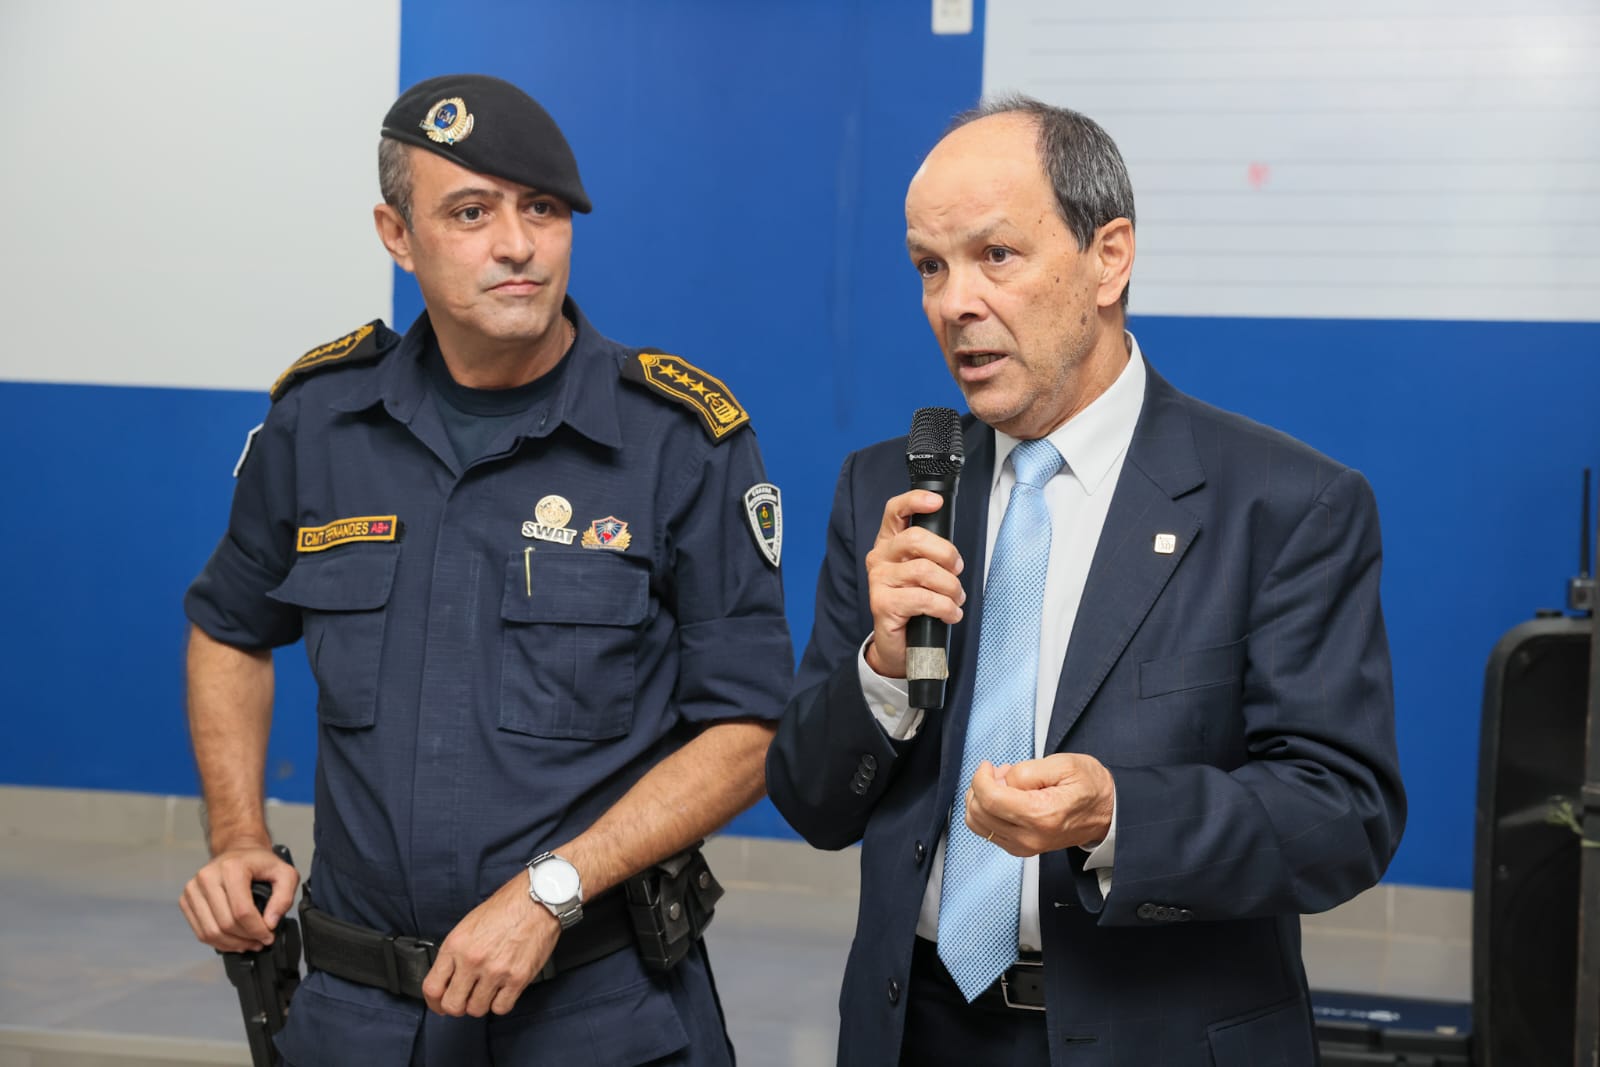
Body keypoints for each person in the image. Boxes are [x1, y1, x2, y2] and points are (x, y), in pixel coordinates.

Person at [765, 95, 1406, 1067]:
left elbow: (1340, 814)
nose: (954, 302)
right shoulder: (890, 489)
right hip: (913, 1027)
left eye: (996, 256)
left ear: (1108, 256)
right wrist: (882, 670)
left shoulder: (1282, 503)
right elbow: (813, 800)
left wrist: (1118, 812)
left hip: (1161, 1035)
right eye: (929, 268)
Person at [178, 74, 792, 1065]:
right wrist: (239, 832)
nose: (517, 244)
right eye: (471, 212)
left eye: (542, 209)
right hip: (354, 1014)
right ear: (396, 233)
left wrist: (558, 885)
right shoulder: (321, 422)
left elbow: (750, 726)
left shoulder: (678, 441)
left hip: (596, 1011)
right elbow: (229, 625)